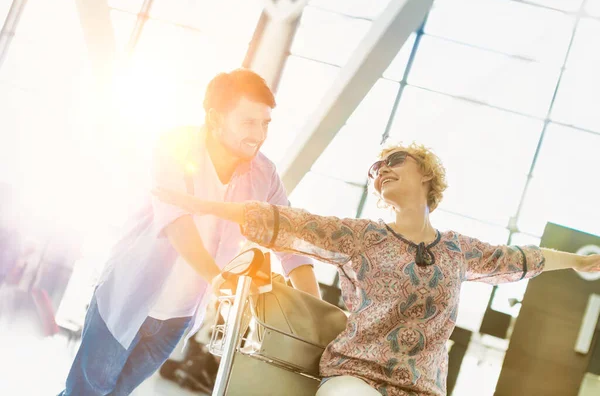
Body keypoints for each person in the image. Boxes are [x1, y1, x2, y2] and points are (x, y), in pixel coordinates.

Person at [153, 142, 600, 396]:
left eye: (393, 162)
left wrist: (578, 261)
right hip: (355, 379)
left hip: (422, 390)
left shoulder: (459, 252)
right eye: (374, 169)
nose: (380, 171)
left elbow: (523, 259)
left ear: (426, 174)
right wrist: (198, 204)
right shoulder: (361, 237)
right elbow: (280, 222)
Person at [59, 69, 320, 396]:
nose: (259, 134)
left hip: (177, 319)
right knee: (85, 392)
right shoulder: (175, 145)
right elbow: (176, 222)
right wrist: (218, 278)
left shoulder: (265, 174)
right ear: (215, 118)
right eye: (248, 122)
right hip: (125, 297)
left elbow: (289, 239)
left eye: (265, 123)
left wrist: (314, 316)